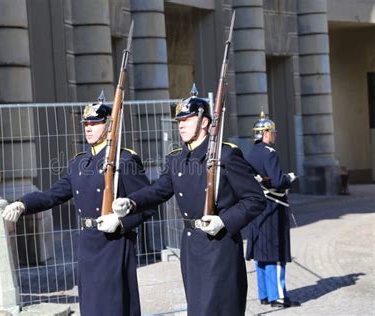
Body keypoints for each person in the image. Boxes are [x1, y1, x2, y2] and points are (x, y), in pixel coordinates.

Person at [112, 85, 266, 315]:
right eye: (179, 121)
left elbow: (255, 199)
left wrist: (224, 221)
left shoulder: (226, 155)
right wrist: (131, 202)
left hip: (219, 246)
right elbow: (159, 191)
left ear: (204, 122)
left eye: (188, 119)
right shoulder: (176, 158)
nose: (181, 125)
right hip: (191, 247)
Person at [1, 93, 154, 316]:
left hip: (114, 243)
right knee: (91, 307)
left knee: (114, 306)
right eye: (86, 124)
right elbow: (52, 195)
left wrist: (121, 222)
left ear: (110, 126)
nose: (88, 128)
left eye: (94, 123)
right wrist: (23, 204)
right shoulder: (79, 163)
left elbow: (148, 203)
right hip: (88, 243)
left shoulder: (125, 161)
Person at [244, 111, 300, 308]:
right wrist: (289, 178)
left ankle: (265, 295)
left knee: (261, 253)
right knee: (275, 255)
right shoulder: (270, 153)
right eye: (273, 132)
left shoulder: (251, 153)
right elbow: (277, 182)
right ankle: (278, 297)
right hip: (273, 208)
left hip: (257, 208)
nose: (274, 135)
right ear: (265, 133)